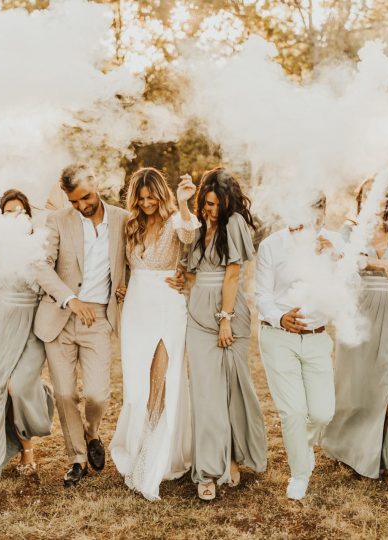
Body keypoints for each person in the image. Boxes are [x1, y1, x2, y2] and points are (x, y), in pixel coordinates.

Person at [33, 163, 128, 487]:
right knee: (64, 393)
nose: (82, 206)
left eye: (85, 198)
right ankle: (77, 458)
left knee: (98, 395)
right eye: (74, 202)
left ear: (95, 182)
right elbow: (41, 266)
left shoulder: (123, 219)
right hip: (61, 318)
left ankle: (91, 433)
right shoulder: (57, 220)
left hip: (99, 318)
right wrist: (70, 299)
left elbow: (134, 260)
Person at [320, 179, 388, 492]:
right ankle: (353, 449)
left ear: (387, 201)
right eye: (365, 195)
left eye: (378, 195)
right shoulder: (350, 233)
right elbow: (343, 262)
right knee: (356, 387)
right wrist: (377, 263)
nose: (372, 200)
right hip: (357, 315)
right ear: (360, 200)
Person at [110, 168, 197, 500]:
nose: (146, 203)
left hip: (167, 306)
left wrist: (186, 203)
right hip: (135, 308)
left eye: (152, 197)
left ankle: (152, 458)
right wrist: (120, 287)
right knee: (137, 382)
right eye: (141, 197)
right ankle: (137, 447)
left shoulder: (177, 220)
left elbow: (189, 235)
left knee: (161, 380)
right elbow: (119, 263)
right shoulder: (130, 225)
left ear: (162, 195)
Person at [184, 167, 267, 501]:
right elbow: (192, 272)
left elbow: (233, 274)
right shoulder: (201, 225)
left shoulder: (234, 224)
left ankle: (232, 456)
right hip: (197, 316)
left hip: (228, 314)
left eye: (216, 204)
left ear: (228, 202)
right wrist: (183, 283)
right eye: (206, 204)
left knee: (231, 388)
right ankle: (207, 469)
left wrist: (225, 319)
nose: (210, 210)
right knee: (205, 393)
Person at [255, 193, 344, 501]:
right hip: (277, 336)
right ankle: (300, 473)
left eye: (319, 207)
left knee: (322, 413)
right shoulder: (271, 246)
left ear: (323, 211)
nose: (314, 215)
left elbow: (349, 289)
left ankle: (302, 444)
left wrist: (335, 259)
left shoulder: (334, 243)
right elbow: (262, 296)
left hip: (318, 337)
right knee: (292, 411)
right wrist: (280, 317)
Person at [0, 189, 55, 480]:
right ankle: (25, 448)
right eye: (8, 212)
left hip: (33, 323)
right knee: (5, 388)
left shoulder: (39, 244)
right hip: (5, 322)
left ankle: (44, 401)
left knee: (21, 385)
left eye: (19, 211)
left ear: (28, 214)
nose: (14, 216)